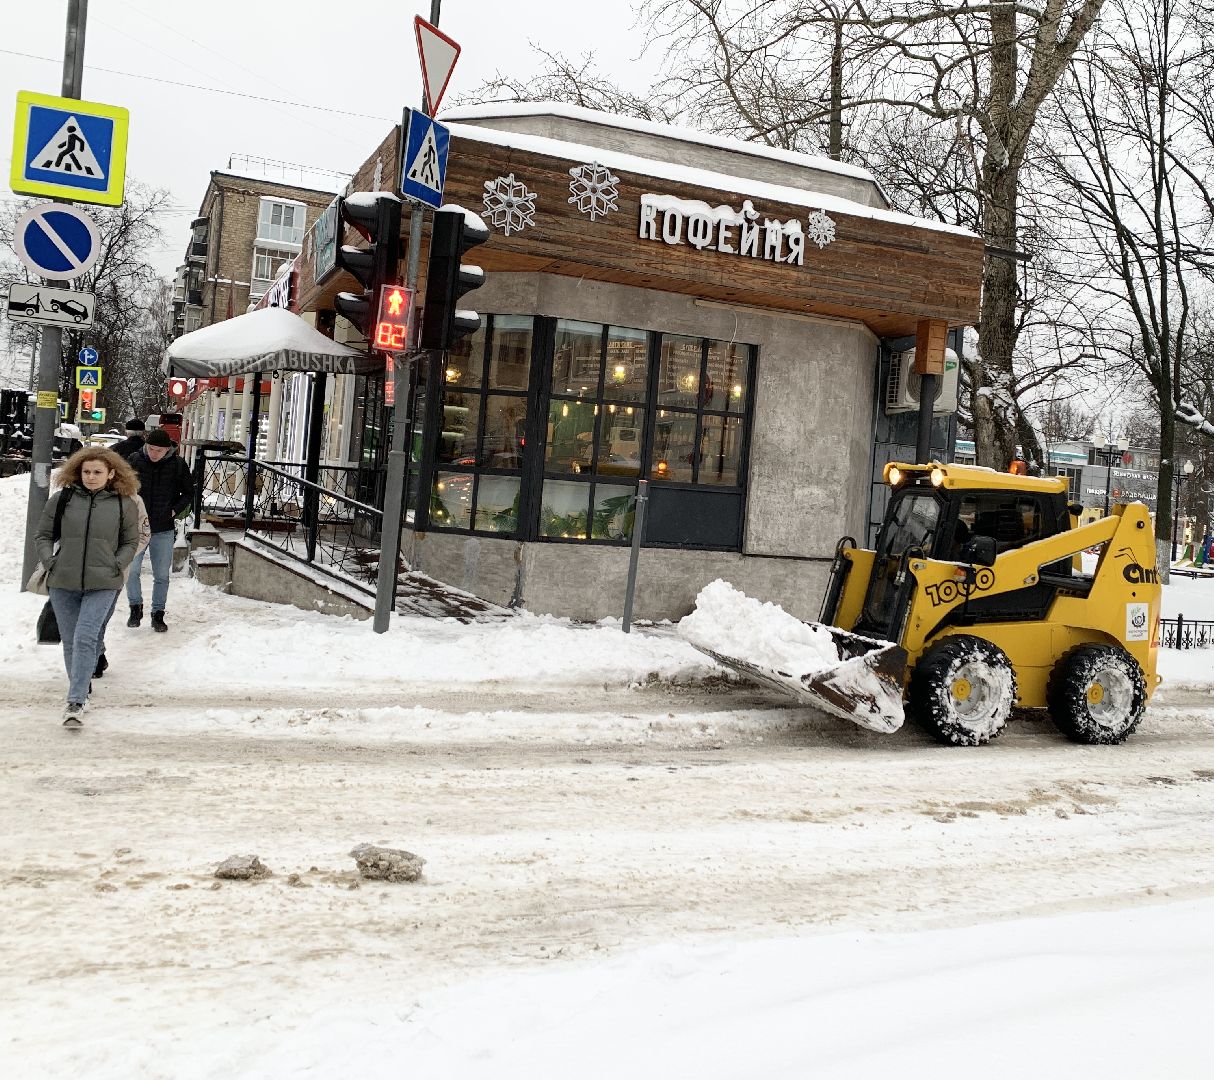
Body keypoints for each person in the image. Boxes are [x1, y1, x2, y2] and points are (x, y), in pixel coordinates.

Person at [34, 448, 140, 724]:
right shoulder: (63, 500)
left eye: (98, 472)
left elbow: (131, 540)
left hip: (104, 582)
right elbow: (44, 535)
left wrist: (117, 563)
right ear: (78, 473)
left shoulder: (123, 503)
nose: (91, 477)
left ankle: (76, 701)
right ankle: (80, 687)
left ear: (112, 474)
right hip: (63, 581)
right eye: (87, 472)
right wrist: (50, 561)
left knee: (85, 637)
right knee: (71, 641)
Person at [126, 428, 193, 632]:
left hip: (163, 528)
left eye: (159, 450)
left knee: (162, 575)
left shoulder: (178, 465)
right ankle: (135, 608)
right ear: (146, 446)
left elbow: (189, 492)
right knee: (131, 571)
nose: (154, 454)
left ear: (167, 450)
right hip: (135, 528)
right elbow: (120, 487)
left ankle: (158, 614)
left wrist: (174, 510)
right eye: (151, 449)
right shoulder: (134, 460)